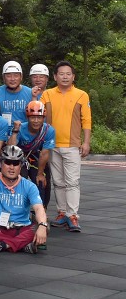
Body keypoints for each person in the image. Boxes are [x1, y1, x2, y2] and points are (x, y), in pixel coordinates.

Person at [41, 61, 91, 233]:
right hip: (52, 145)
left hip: (72, 145)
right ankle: (62, 212)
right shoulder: (47, 94)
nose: (65, 77)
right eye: (61, 74)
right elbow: (38, 115)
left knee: (72, 182)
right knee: (58, 182)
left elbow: (87, 120)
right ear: (55, 77)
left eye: (68, 74)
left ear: (73, 76)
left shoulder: (81, 95)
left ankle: (72, 215)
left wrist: (86, 142)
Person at [0, 145, 48, 253]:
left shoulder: (29, 186)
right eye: (8, 162)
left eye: (16, 163)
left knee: (45, 226)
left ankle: (2, 245)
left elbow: (39, 208)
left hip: (21, 229)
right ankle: (22, 245)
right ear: (1, 164)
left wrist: (42, 225)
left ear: (21, 166)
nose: (11, 167)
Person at [8, 100, 54, 207]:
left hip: (36, 156)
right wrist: (15, 131)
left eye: (39, 118)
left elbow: (44, 154)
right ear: (27, 118)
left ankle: (41, 208)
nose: (36, 121)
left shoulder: (48, 130)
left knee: (42, 181)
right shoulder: (20, 128)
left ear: (43, 118)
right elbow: (11, 148)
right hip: (19, 157)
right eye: (33, 117)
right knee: (19, 179)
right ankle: (18, 207)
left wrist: (40, 174)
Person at [0, 61, 34, 125]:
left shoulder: (30, 93)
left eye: (16, 75)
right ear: (3, 77)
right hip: (2, 129)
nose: (12, 79)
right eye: (8, 76)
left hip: (24, 129)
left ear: (21, 77)